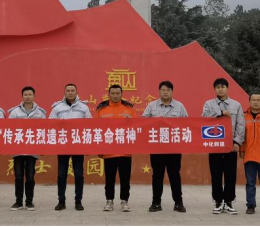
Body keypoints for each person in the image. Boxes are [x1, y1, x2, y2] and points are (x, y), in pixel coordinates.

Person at [142, 80, 189, 213]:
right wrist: (155, 121)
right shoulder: (152, 106)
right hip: (157, 148)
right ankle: (156, 203)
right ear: (159, 91)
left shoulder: (179, 106)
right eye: (163, 89)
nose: (165, 92)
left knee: (175, 175)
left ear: (172, 92)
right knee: (157, 175)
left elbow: (187, 123)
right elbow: (143, 122)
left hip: (174, 148)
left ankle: (178, 203)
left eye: (168, 90)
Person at [202, 78, 245, 215]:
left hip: (230, 146)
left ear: (227, 88)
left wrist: (237, 142)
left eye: (223, 87)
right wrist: (220, 114)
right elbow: (204, 119)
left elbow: (240, 124)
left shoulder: (236, 105)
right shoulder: (208, 104)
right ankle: (218, 201)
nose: (220, 89)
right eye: (218, 87)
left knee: (230, 175)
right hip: (214, 145)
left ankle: (229, 201)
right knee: (216, 174)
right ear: (215, 89)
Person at [49, 83, 92, 211]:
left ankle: (78, 201)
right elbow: (50, 123)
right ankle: (61, 201)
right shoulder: (57, 107)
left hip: (78, 145)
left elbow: (90, 125)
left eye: (72, 90)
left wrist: (87, 145)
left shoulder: (83, 107)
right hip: (62, 145)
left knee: (78, 174)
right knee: (62, 174)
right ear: (64, 92)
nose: (70, 92)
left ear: (76, 92)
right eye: (68, 90)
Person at [96, 84, 136, 212]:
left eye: (117, 93)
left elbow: (136, 128)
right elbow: (97, 130)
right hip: (109, 152)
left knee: (125, 179)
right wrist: (99, 149)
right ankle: (109, 200)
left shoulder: (129, 109)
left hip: (125, 151)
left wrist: (131, 121)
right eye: (112, 93)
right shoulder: (101, 110)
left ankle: (124, 201)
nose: (115, 95)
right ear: (109, 94)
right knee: (109, 178)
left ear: (121, 94)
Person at [7, 86, 47, 211]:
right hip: (18, 149)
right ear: (22, 96)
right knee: (18, 176)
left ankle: (29, 202)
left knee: (30, 176)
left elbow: (44, 129)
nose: (28, 97)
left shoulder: (40, 112)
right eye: (25, 94)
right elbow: (9, 128)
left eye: (30, 94)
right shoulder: (14, 112)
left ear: (34, 96)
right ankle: (18, 202)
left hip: (32, 149)